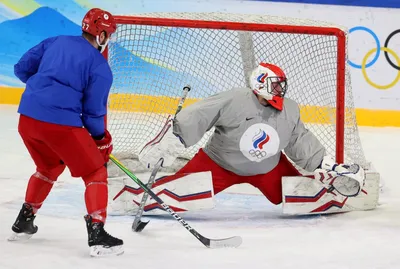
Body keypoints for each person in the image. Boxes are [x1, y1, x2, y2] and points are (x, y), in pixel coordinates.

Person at [139, 62, 365, 206]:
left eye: (282, 86)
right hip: (219, 164)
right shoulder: (234, 99)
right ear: (260, 84)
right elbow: (199, 115)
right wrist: (170, 141)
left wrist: (324, 164)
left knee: (300, 198)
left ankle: (333, 180)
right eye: (276, 86)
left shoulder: (290, 108)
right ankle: (137, 195)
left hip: (269, 168)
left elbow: (299, 139)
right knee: (172, 196)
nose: (281, 91)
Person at [10, 8, 123, 257]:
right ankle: (97, 234)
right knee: (95, 171)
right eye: (109, 35)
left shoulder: (55, 41)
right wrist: (101, 141)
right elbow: (94, 113)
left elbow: (21, 68)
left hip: (27, 118)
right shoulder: (100, 66)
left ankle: (23, 222)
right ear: (102, 35)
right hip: (59, 125)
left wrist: (44, 92)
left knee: (49, 167)